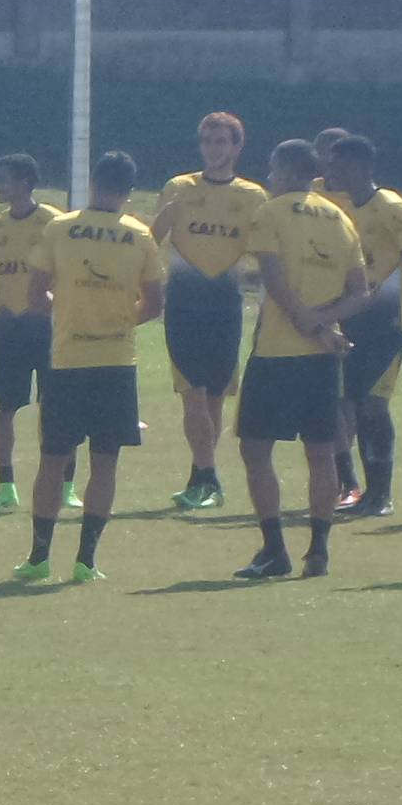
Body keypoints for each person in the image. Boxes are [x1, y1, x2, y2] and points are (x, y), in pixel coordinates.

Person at [14, 151, 164, 582]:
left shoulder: (60, 227)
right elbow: (154, 304)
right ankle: (86, 561)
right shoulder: (140, 235)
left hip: (68, 360)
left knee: (52, 458)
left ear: (93, 183)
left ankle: (39, 557)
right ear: (130, 191)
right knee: (106, 461)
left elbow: (34, 294)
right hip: (116, 361)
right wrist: (117, 320)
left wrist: (66, 313)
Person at [232, 138, 366, 580]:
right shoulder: (340, 218)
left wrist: (306, 319)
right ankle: (319, 551)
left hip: (275, 352)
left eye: (272, 168)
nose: (269, 178)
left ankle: (274, 549)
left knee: (255, 448)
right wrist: (325, 322)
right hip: (322, 357)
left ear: (287, 171)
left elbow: (272, 279)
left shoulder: (270, 212)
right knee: (321, 453)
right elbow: (359, 292)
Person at [152, 111, 267, 510]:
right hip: (184, 304)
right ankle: (208, 476)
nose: (214, 149)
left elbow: (265, 251)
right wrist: (161, 222)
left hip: (226, 304)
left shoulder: (252, 196)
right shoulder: (179, 187)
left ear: (237, 147)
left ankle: (202, 475)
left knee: (216, 397)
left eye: (222, 142)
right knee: (193, 395)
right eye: (208, 141)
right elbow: (149, 243)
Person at [319, 134, 402, 520]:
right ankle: (358, 489)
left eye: (338, 164)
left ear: (361, 167)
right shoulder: (343, 210)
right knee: (347, 404)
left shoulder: (390, 207)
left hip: (387, 324)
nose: (330, 171)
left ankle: (381, 494)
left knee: (373, 407)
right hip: (352, 322)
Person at [0, 152, 65, 516]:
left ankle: (65, 484)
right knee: (3, 409)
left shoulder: (53, 222)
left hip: (47, 326)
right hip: (9, 324)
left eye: (4, 178)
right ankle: (6, 486)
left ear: (24, 182)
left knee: (54, 407)